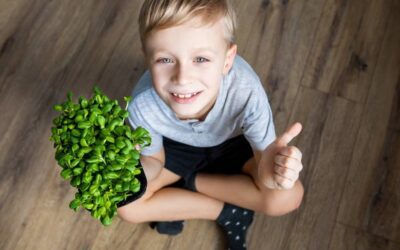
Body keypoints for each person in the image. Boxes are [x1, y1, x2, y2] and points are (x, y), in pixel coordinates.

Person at [117, 0, 304, 249]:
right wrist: (132, 173)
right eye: (164, 60)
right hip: (176, 149)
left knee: (288, 198)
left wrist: (270, 174)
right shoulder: (141, 104)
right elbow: (154, 160)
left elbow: (263, 157)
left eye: (201, 59)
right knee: (126, 205)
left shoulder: (246, 91)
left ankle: (189, 184)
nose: (182, 78)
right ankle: (226, 212)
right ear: (147, 58)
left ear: (227, 60)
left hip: (234, 146)